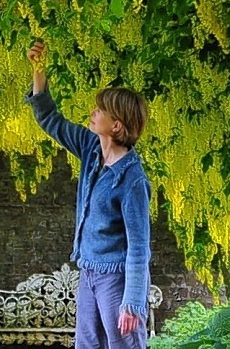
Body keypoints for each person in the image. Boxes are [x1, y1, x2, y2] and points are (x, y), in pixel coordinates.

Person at [26, 40, 152, 349]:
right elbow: (50, 120)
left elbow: (139, 247)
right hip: (89, 272)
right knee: (87, 345)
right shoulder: (91, 149)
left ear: (116, 125)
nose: (93, 113)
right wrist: (38, 70)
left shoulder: (132, 180)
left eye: (101, 110)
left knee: (124, 346)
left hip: (117, 279)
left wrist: (132, 302)